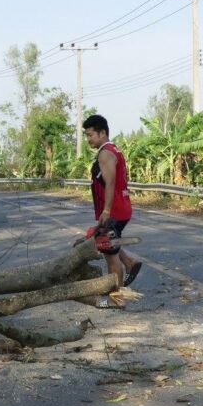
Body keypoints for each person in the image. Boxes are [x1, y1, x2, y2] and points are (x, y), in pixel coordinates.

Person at [83, 114, 142, 288]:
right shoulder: (113, 149)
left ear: (102, 133)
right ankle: (129, 262)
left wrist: (107, 211)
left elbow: (111, 183)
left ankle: (117, 297)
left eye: (90, 135)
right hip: (121, 208)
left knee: (111, 257)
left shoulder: (105, 154)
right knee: (107, 243)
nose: (88, 139)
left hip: (114, 212)